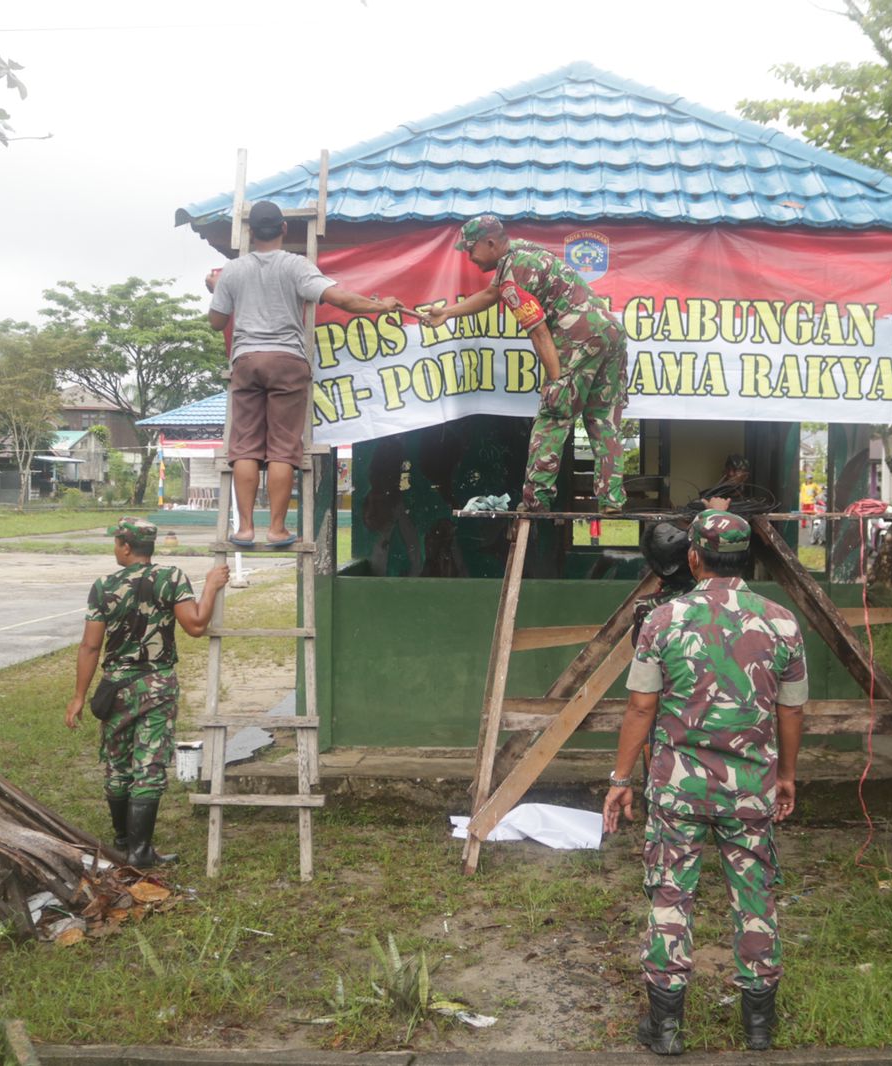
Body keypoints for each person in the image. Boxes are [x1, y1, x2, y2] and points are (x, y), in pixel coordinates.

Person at [604, 509, 808, 1055]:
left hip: (678, 790)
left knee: (671, 897)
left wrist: (621, 778)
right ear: (745, 558)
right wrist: (785, 775)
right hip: (751, 789)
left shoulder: (663, 620)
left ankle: (665, 1027)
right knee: (754, 898)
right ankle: (758, 1027)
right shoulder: (782, 622)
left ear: (694, 557)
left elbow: (641, 707)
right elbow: (791, 713)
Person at [208, 200, 408, 549]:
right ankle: (277, 530)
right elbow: (341, 298)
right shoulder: (297, 266)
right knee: (284, 449)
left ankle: (243, 530)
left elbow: (216, 323)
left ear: (251, 232)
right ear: (284, 229)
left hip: (246, 360)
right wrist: (381, 305)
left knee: (244, 449)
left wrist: (215, 288)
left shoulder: (233, 272)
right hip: (287, 361)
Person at [421, 215, 628, 515]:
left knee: (553, 416)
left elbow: (539, 331)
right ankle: (612, 501)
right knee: (602, 418)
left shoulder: (513, 275)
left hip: (579, 335)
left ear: (489, 242)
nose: (469, 257)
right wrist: (447, 313)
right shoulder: (521, 252)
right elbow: (491, 294)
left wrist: (556, 382)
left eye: (471, 249)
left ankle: (536, 501)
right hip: (610, 331)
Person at [65, 517, 229, 866]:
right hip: (157, 686)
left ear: (126, 547)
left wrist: (79, 696)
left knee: (118, 766)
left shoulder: (104, 587)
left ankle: (123, 842)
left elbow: (90, 647)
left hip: (116, 690)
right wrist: (211, 586)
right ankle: (140, 852)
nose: (115, 548)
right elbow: (196, 625)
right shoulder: (171, 578)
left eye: (116, 543)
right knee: (149, 766)